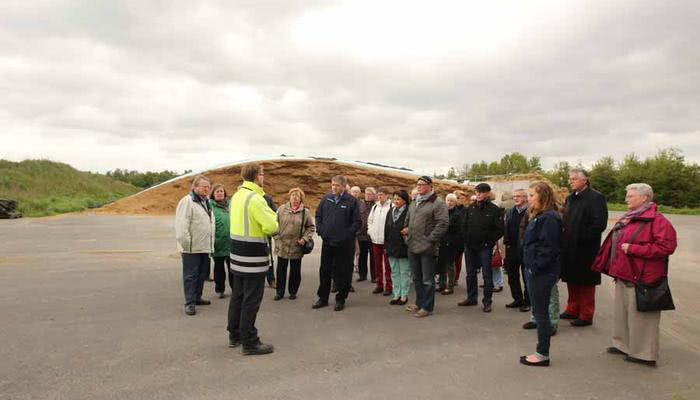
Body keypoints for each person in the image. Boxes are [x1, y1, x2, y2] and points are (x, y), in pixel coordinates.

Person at [591, 183, 677, 367]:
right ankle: (622, 344)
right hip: (624, 274)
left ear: (644, 198)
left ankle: (644, 354)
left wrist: (635, 249)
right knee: (622, 313)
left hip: (643, 277)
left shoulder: (657, 220)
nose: (626, 199)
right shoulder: (630, 217)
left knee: (643, 316)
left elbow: (667, 247)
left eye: (630, 196)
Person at [227, 163, 278, 355]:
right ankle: (249, 341)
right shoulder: (256, 199)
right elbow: (272, 227)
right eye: (263, 174)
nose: (264, 178)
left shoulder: (237, 196)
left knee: (238, 296)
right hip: (253, 257)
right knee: (251, 300)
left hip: (237, 255)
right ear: (256, 176)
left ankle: (234, 334)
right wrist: (274, 217)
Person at [519, 182, 562, 367]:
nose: (529, 198)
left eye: (531, 195)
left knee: (541, 313)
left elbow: (549, 248)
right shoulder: (540, 216)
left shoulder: (549, 218)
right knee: (539, 312)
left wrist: (535, 267)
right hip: (536, 270)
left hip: (541, 273)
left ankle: (542, 354)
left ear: (542, 196)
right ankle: (541, 351)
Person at [560, 168, 608, 327]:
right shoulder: (570, 198)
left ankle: (586, 315)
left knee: (586, 283)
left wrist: (582, 238)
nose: (570, 181)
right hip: (569, 247)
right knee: (571, 279)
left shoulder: (596, 198)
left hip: (586, 248)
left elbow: (599, 224)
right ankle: (572, 309)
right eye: (570, 179)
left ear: (585, 180)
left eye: (574, 179)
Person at [402, 176, 449, 318]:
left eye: (422, 184)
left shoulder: (437, 203)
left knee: (428, 279)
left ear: (430, 186)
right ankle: (419, 303)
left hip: (427, 247)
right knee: (416, 277)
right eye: (417, 185)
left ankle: (427, 307)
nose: (419, 187)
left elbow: (443, 224)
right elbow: (408, 220)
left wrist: (430, 240)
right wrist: (406, 232)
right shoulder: (415, 202)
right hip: (412, 245)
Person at [313, 175, 361, 311]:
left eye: (337, 185)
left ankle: (341, 298)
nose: (334, 187)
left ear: (344, 186)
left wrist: (346, 235)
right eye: (332, 184)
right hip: (328, 242)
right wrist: (321, 230)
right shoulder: (326, 199)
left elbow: (357, 222)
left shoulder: (351, 201)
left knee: (343, 272)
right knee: (324, 271)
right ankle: (323, 298)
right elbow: (318, 215)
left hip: (345, 244)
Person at [459, 183, 504, 313]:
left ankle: (487, 302)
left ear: (487, 193)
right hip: (470, 247)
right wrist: (466, 240)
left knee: (487, 276)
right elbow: (464, 226)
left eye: (481, 192)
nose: (478, 194)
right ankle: (471, 298)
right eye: (477, 191)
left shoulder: (494, 210)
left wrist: (488, 242)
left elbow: (500, 230)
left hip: (485, 247)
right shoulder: (471, 208)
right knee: (470, 274)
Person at [175, 175, 215, 316]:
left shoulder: (207, 202)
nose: (207, 189)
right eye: (204, 186)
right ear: (195, 187)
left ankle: (197, 297)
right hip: (191, 248)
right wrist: (187, 245)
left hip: (204, 246)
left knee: (202, 274)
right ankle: (189, 303)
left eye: (208, 187)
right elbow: (181, 226)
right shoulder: (187, 202)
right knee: (190, 276)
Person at [273, 188, 315, 301]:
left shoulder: (305, 212)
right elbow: (273, 224)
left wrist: (305, 239)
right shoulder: (281, 209)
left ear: (301, 199)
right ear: (289, 197)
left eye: (297, 197)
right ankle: (279, 292)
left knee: (295, 271)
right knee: (281, 270)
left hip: (297, 246)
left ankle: (293, 292)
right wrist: (276, 238)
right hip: (282, 245)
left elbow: (310, 227)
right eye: (293, 196)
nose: (295, 199)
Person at [504, 189, 531, 311]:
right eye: (514, 196)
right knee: (512, 275)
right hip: (511, 248)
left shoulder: (531, 211)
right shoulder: (510, 211)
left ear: (526, 198)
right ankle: (517, 299)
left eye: (518, 196)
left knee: (526, 276)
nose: (515, 198)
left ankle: (528, 301)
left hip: (525, 248)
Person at [385, 190, 411, 305]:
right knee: (394, 272)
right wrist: (386, 246)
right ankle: (396, 295)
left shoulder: (409, 211)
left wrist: (408, 230)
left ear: (405, 200)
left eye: (398, 199)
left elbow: (413, 226)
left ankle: (404, 296)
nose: (396, 201)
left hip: (404, 247)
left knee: (404, 272)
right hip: (391, 246)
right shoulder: (391, 211)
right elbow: (386, 228)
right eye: (394, 199)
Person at [368, 187, 393, 296]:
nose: (379, 196)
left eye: (382, 194)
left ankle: (388, 286)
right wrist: (370, 232)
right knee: (377, 264)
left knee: (388, 265)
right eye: (378, 194)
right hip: (375, 240)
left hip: (386, 241)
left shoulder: (391, 207)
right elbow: (370, 221)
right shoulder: (375, 207)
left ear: (388, 195)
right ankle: (379, 285)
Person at [437, 193, 464, 295]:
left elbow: (457, 230)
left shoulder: (457, 214)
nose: (449, 202)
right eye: (448, 200)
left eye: (451, 201)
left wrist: (452, 241)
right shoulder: (442, 212)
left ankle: (450, 286)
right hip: (441, 241)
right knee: (441, 264)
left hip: (451, 243)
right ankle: (442, 284)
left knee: (450, 264)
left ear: (455, 202)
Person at [209, 183, 231, 299]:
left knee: (232, 268)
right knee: (219, 268)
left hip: (231, 242)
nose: (220, 193)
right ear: (213, 194)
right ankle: (220, 289)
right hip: (218, 243)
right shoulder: (210, 206)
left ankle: (235, 289)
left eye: (221, 191)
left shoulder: (230, 206)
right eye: (217, 191)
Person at [357, 187, 376, 282]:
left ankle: (374, 277)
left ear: (373, 195)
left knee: (373, 257)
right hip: (361, 235)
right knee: (362, 256)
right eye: (366, 194)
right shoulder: (361, 205)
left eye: (370, 194)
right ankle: (362, 275)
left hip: (372, 236)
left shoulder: (376, 206)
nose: (367, 196)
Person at [453, 190, 469, 284]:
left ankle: (456, 278)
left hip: (460, 239)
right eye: (460, 198)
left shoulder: (466, 210)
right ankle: (449, 277)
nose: (462, 200)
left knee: (458, 260)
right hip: (451, 238)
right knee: (449, 260)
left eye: (463, 198)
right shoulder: (450, 209)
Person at [263, 194, 278, 288]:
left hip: (266, 233)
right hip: (251, 234)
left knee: (268, 258)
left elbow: (274, 214)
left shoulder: (267, 198)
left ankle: (271, 279)